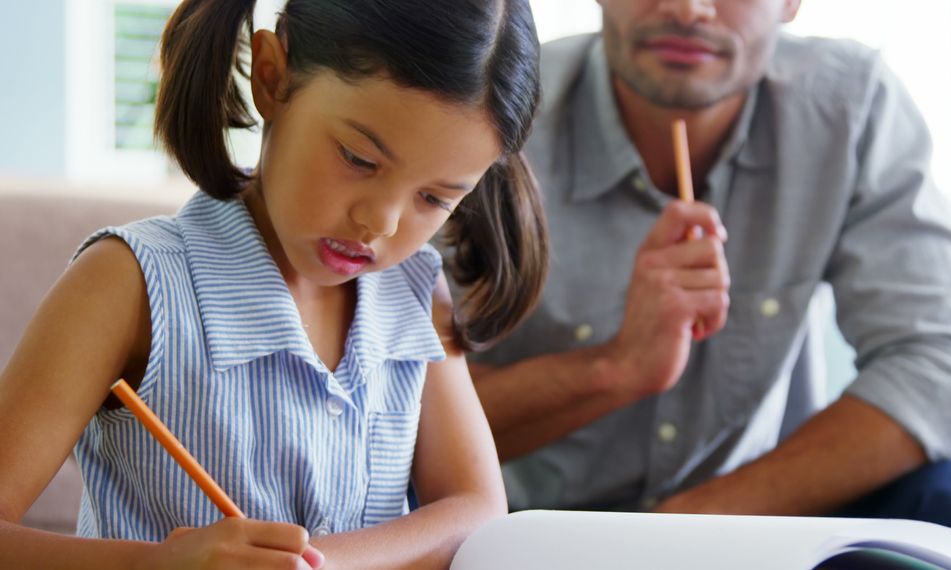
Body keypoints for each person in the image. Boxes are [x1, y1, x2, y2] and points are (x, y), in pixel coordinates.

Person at [0, 0, 548, 568]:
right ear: (271, 77)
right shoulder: (129, 282)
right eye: (359, 158)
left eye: (434, 198)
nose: (378, 223)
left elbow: (477, 510)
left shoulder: (413, 296)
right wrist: (157, 564)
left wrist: (317, 564)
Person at [465, 0, 951, 535]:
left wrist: (680, 532)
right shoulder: (490, 107)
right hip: (540, 527)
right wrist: (617, 367)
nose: (687, 9)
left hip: (756, 516)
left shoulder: (849, 106)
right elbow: (399, 414)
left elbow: (947, 375)